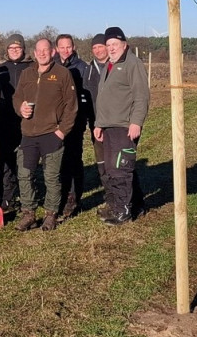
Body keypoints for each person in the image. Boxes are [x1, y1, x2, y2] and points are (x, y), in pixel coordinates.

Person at [13, 38, 78, 232]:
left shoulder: (62, 74)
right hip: (28, 135)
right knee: (25, 175)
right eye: (38, 50)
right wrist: (20, 108)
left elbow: (71, 106)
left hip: (52, 134)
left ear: (53, 53)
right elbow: (17, 98)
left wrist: (61, 131)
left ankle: (51, 214)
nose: (42, 53)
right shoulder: (27, 74)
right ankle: (28, 214)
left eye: (46, 50)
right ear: (34, 53)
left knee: (51, 177)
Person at [93, 26, 150, 225]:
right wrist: (99, 124)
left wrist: (136, 122)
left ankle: (123, 211)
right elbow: (103, 98)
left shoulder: (132, 63)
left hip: (124, 126)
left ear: (124, 44)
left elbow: (141, 96)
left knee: (120, 168)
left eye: (115, 44)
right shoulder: (109, 65)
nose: (111, 48)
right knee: (112, 168)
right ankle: (128, 204)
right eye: (108, 44)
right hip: (108, 126)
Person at [0, 34, 32, 210]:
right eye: (11, 48)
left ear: (23, 49)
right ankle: (6, 196)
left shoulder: (31, 67)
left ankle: (27, 195)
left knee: (27, 162)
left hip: (27, 120)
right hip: (6, 121)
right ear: (7, 50)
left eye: (18, 47)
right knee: (6, 161)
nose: (14, 50)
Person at [53, 33, 89, 218]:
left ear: (73, 47)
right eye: (62, 47)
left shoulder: (82, 68)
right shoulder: (51, 66)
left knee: (74, 160)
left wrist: (85, 120)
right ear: (56, 48)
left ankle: (74, 198)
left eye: (69, 47)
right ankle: (58, 195)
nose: (65, 50)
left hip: (75, 123)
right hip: (54, 123)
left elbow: (87, 96)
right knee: (57, 161)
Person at [83, 33, 109, 185]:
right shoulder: (89, 70)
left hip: (115, 123)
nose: (98, 50)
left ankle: (130, 199)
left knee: (119, 162)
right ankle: (109, 194)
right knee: (101, 159)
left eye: (101, 46)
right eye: (94, 47)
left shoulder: (116, 66)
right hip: (95, 123)